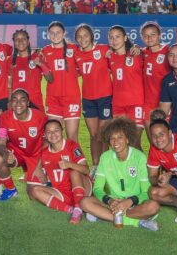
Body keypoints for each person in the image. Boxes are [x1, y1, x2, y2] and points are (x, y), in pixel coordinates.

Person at [79, 116, 160, 230]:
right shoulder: (105, 157)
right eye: (112, 138)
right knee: (84, 202)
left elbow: (146, 191)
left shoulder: (139, 157)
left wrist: (129, 202)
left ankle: (104, 215)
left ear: (127, 139)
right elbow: (97, 189)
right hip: (113, 202)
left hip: (134, 203)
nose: (115, 142)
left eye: (120, 137)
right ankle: (137, 222)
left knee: (153, 206)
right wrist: (109, 200)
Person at [28, 120, 89, 224]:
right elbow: (33, 190)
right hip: (61, 193)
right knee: (35, 190)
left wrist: (70, 164)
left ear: (62, 131)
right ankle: (70, 209)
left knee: (73, 171)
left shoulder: (72, 145)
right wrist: (38, 171)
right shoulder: (44, 153)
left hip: (82, 188)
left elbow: (86, 169)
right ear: (45, 135)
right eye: (49, 132)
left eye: (56, 130)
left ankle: (78, 209)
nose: (53, 134)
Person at [74, 24, 113, 167]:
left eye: (85, 35)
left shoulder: (103, 50)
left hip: (105, 98)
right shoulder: (76, 54)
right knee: (94, 135)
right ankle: (96, 165)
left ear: (91, 35)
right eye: (79, 36)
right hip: (88, 99)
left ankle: (105, 166)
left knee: (103, 135)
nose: (82, 38)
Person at [0, 88, 47, 197]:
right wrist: (5, 153)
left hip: (36, 155)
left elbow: (48, 143)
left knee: (33, 195)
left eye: (22, 100)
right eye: (14, 100)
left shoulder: (40, 117)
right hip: (17, 153)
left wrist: (39, 165)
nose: (18, 103)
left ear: (28, 102)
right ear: (10, 103)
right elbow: (1, 143)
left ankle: (46, 174)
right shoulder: (4, 117)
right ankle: (11, 189)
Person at [41, 21, 82, 145]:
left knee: (72, 138)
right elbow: (48, 78)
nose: (55, 35)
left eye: (58, 32)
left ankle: (77, 164)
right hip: (53, 100)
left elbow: (82, 67)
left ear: (64, 33)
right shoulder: (45, 51)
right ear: (48, 35)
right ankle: (55, 164)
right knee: (53, 138)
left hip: (71, 98)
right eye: (52, 33)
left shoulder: (74, 49)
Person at [106, 25, 146, 146]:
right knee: (122, 143)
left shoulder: (136, 54)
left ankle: (143, 165)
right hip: (118, 105)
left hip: (136, 104)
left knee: (134, 143)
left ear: (125, 38)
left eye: (117, 37)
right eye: (111, 38)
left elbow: (151, 54)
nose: (114, 40)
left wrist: (138, 48)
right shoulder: (109, 56)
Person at [8, 29, 49, 111]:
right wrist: (9, 102)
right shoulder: (10, 60)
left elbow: (50, 79)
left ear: (28, 41)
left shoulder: (37, 57)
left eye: (23, 38)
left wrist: (41, 64)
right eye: (17, 39)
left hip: (35, 102)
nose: (20, 41)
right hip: (17, 104)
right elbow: (9, 86)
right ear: (14, 44)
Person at [139, 22, 171, 115]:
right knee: (150, 129)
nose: (149, 38)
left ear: (159, 35)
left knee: (163, 128)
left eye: (153, 35)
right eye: (146, 36)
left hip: (165, 100)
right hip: (147, 102)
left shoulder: (168, 52)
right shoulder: (141, 53)